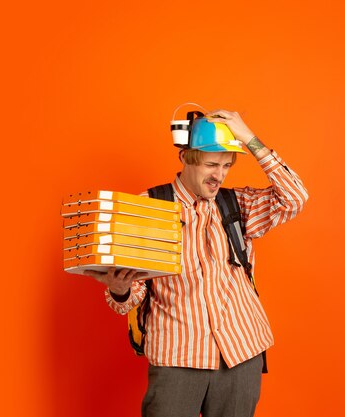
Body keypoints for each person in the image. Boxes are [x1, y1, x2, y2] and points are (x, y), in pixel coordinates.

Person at [84, 109, 309, 417]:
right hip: (178, 357)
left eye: (227, 165)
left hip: (241, 352)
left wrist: (249, 138)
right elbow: (130, 298)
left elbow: (295, 197)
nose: (220, 174)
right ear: (186, 157)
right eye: (211, 164)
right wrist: (120, 288)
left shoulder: (237, 204)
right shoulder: (150, 207)